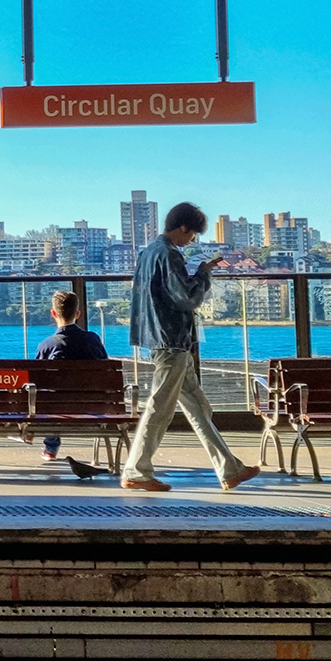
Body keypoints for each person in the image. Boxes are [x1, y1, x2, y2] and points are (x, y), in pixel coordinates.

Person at [120, 202, 261, 493]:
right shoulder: (169, 254)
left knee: (198, 407)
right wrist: (204, 274)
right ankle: (136, 470)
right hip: (172, 340)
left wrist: (199, 270)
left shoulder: (148, 252)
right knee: (160, 408)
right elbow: (187, 298)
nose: (193, 240)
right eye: (193, 233)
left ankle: (229, 469)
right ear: (183, 228)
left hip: (159, 337)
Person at [33, 290, 108, 461]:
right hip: (93, 405)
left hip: (57, 407)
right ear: (78, 314)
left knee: (48, 398)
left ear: (53, 313)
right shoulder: (93, 340)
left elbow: (36, 380)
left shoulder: (46, 345)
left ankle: (51, 447)